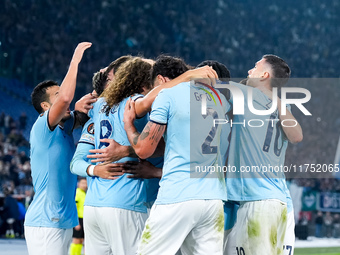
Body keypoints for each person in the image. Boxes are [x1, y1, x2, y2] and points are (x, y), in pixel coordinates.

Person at [123, 59, 228, 254]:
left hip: (178, 195)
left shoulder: (167, 95)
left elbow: (143, 150)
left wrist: (129, 125)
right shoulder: (219, 100)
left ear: (161, 80)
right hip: (213, 200)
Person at [225, 55, 303, 255]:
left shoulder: (244, 95)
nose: (250, 70)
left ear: (265, 75)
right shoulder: (284, 107)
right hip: (278, 200)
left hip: (257, 202)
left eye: (255, 66)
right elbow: (297, 136)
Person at [24, 42, 96, 255]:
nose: (64, 99)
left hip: (62, 220)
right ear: (46, 107)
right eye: (56, 95)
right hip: (45, 221)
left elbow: (80, 113)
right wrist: (75, 58)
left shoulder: (64, 128)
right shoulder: (42, 126)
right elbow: (66, 99)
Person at [69, 178, 87, 255]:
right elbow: (74, 207)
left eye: (86, 183)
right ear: (78, 184)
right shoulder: (77, 193)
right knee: (76, 240)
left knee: (81, 240)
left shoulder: (85, 193)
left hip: (84, 219)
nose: (84, 185)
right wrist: (76, 222)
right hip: (78, 219)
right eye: (82, 183)